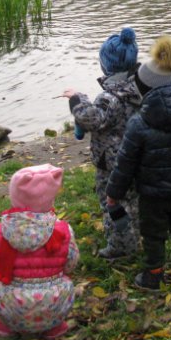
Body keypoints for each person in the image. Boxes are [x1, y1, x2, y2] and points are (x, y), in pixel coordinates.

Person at [106, 35, 171, 290]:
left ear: (146, 89)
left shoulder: (139, 124)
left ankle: (153, 275)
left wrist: (113, 194)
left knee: (153, 234)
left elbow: (125, 163)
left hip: (152, 194)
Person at [63, 27, 142, 260]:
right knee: (134, 199)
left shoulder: (110, 97)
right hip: (137, 156)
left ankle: (121, 247)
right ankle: (138, 232)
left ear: (106, 66)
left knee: (113, 204)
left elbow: (91, 118)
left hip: (113, 163)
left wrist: (77, 98)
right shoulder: (138, 87)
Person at [0, 164, 79, 340]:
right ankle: (53, 327)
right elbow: (71, 263)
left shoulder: (0, 232)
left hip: (13, 306)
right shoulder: (64, 231)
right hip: (54, 304)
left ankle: (6, 325)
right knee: (65, 282)